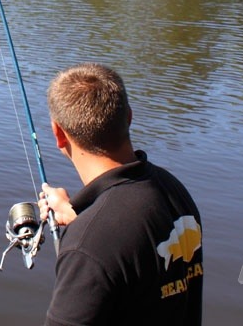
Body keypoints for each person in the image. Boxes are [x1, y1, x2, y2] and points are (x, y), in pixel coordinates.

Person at [39, 63, 203, 326]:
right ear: (128, 116)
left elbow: (112, 245)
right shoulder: (172, 190)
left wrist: (85, 232)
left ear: (58, 134)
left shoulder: (87, 248)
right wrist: (79, 217)